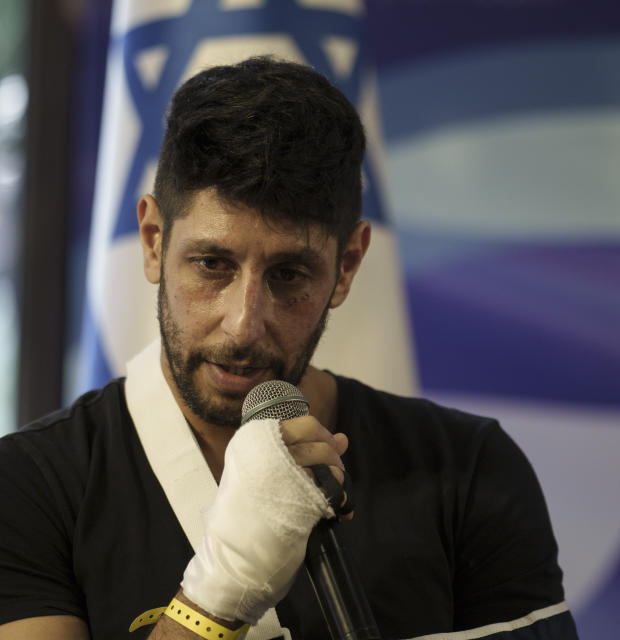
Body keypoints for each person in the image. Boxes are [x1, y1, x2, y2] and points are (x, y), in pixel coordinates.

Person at [0, 57, 578, 640]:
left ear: (347, 266)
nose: (244, 324)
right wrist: (221, 589)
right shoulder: (29, 487)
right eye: (211, 264)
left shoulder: (469, 470)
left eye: (289, 274)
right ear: (153, 243)